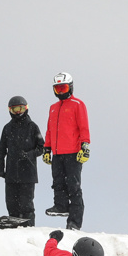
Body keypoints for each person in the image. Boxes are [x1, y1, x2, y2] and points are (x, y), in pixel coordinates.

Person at [43, 72, 90, 231]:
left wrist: (85, 145)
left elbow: (83, 126)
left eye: (63, 88)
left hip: (73, 152)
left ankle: (74, 222)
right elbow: (50, 130)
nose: (60, 92)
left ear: (70, 87)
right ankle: (60, 206)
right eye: (57, 89)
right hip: (57, 152)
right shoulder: (53, 108)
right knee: (57, 181)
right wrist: (47, 148)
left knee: (73, 184)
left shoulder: (77, 104)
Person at [0, 96, 45, 226]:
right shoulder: (7, 128)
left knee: (26, 205)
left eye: (21, 108)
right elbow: (1, 150)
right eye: (15, 109)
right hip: (11, 173)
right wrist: (0, 167)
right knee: (11, 204)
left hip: (28, 174)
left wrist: (29, 154)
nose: (18, 112)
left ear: (26, 108)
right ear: (10, 111)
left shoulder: (32, 127)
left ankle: (28, 227)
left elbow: (42, 147)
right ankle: (14, 229)